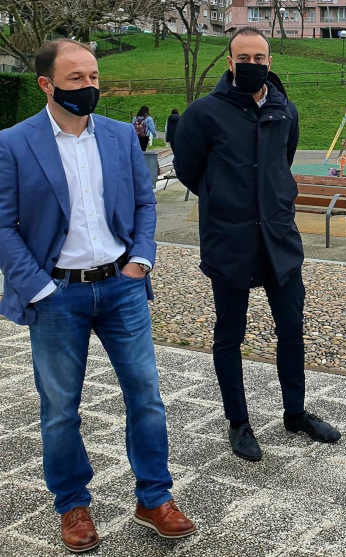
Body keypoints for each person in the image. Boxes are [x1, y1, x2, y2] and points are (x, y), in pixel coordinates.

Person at [0, 39, 195, 553]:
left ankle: (154, 497)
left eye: (93, 77)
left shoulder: (118, 136)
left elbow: (144, 204)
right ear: (47, 84)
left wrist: (140, 260)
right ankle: (72, 505)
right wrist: (38, 287)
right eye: (76, 79)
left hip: (121, 288)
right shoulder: (14, 143)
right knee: (61, 408)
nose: (90, 86)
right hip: (56, 295)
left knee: (147, 398)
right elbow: (3, 225)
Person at [172, 27, 340, 462]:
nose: (253, 64)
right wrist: (226, 199)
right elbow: (190, 171)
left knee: (292, 330)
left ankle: (295, 412)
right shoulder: (203, 114)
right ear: (230, 62)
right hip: (230, 239)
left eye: (260, 57)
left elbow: (282, 163)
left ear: (270, 61)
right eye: (243, 57)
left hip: (279, 240)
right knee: (229, 334)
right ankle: (239, 422)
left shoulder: (285, 111)